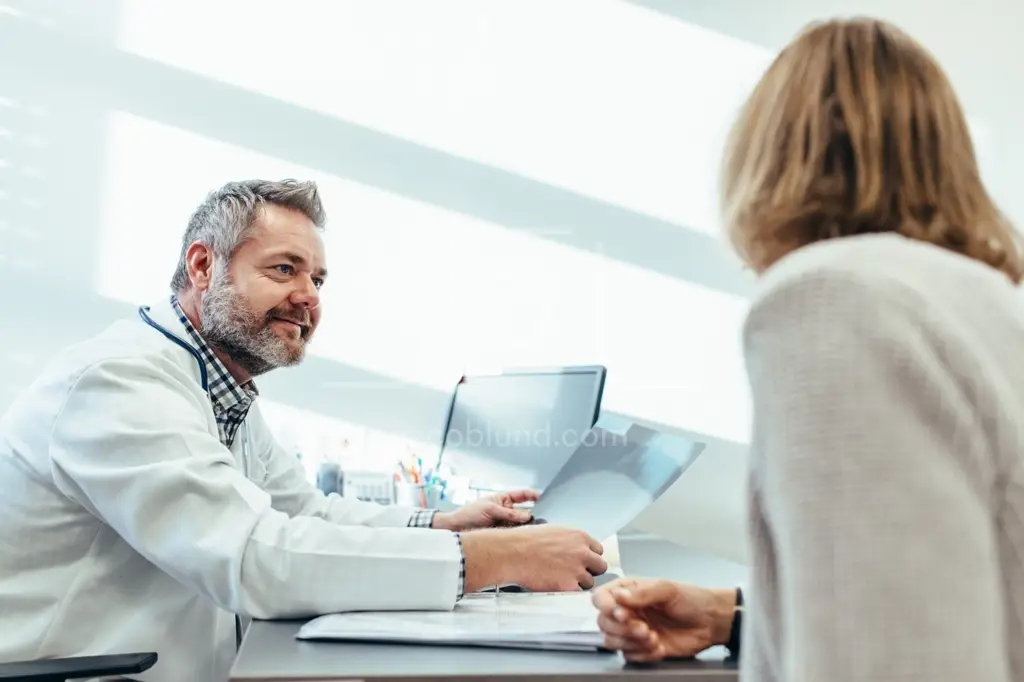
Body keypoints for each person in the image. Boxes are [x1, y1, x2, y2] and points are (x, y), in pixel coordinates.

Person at [0, 179, 608, 682]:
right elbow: (252, 554)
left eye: (317, 280)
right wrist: (489, 557)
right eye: (284, 269)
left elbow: (304, 512)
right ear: (204, 265)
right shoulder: (118, 382)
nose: (307, 297)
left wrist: (442, 524)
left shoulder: (217, 384)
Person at [596, 17, 1024, 682]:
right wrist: (736, 618)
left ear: (765, 158)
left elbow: (894, 665)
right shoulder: (986, 303)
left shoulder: (833, 302)